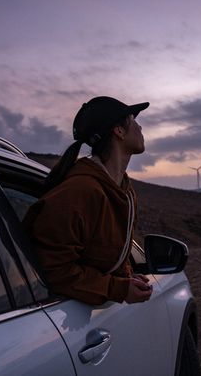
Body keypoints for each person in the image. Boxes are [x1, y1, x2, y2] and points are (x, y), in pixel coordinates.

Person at [22, 96, 153, 306]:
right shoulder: (79, 193)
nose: (140, 125)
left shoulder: (124, 192)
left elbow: (104, 259)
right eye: (133, 119)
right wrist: (116, 288)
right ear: (118, 131)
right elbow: (54, 269)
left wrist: (126, 278)